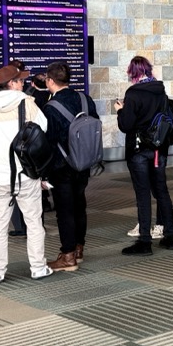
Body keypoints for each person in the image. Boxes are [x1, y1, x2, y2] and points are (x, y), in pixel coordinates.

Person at [0, 64, 52, 282]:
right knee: (34, 222)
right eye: (20, 81)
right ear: (11, 83)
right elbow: (42, 129)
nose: (23, 84)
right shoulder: (27, 104)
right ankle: (38, 267)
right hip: (25, 173)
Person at [116, 55, 173, 254]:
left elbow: (126, 125)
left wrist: (120, 110)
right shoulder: (161, 91)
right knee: (162, 191)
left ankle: (144, 241)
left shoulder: (133, 94)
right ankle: (170, 236)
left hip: (139, 150)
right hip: (159, 148)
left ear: (133, 73)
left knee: (143, 194)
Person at [42, 60, 99, 272]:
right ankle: (78, 249)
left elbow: (49, 141)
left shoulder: (50, 108)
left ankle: (67, 256)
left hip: (61, 166)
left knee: (64, 210)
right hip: (84, 162)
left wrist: (43, 172)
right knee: (79, 205)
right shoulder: (85, 99)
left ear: (50, 81)